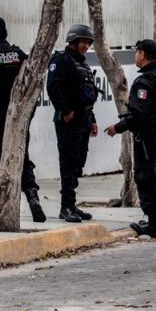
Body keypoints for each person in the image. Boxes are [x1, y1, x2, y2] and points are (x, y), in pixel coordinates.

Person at [105, 39, 156, 238]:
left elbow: (138, 114)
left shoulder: (143, 82)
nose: (135, 56)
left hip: (148, 139)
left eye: (137, 53)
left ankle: (153, 226)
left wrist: (118, 127)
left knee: (147, 179)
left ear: (142, 54)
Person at [0, 16, 46, 222]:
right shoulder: (19, 55)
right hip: (15, 117)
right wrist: (24, 119)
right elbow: (31, 89)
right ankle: (32, 196)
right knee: (22, 159)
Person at [47, 24, 100, 223]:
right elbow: (53, 87)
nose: (86, 45)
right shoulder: (61, 60)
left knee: (78, 163)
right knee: (68, 163)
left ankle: (72, 203)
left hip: (84, 120)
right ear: (73, 41)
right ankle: (66, 206)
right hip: (68, 120)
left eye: (88, 42)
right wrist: (65, 110)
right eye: (83, 42)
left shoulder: (82, 63)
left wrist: (92, 119)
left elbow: (87, 93)